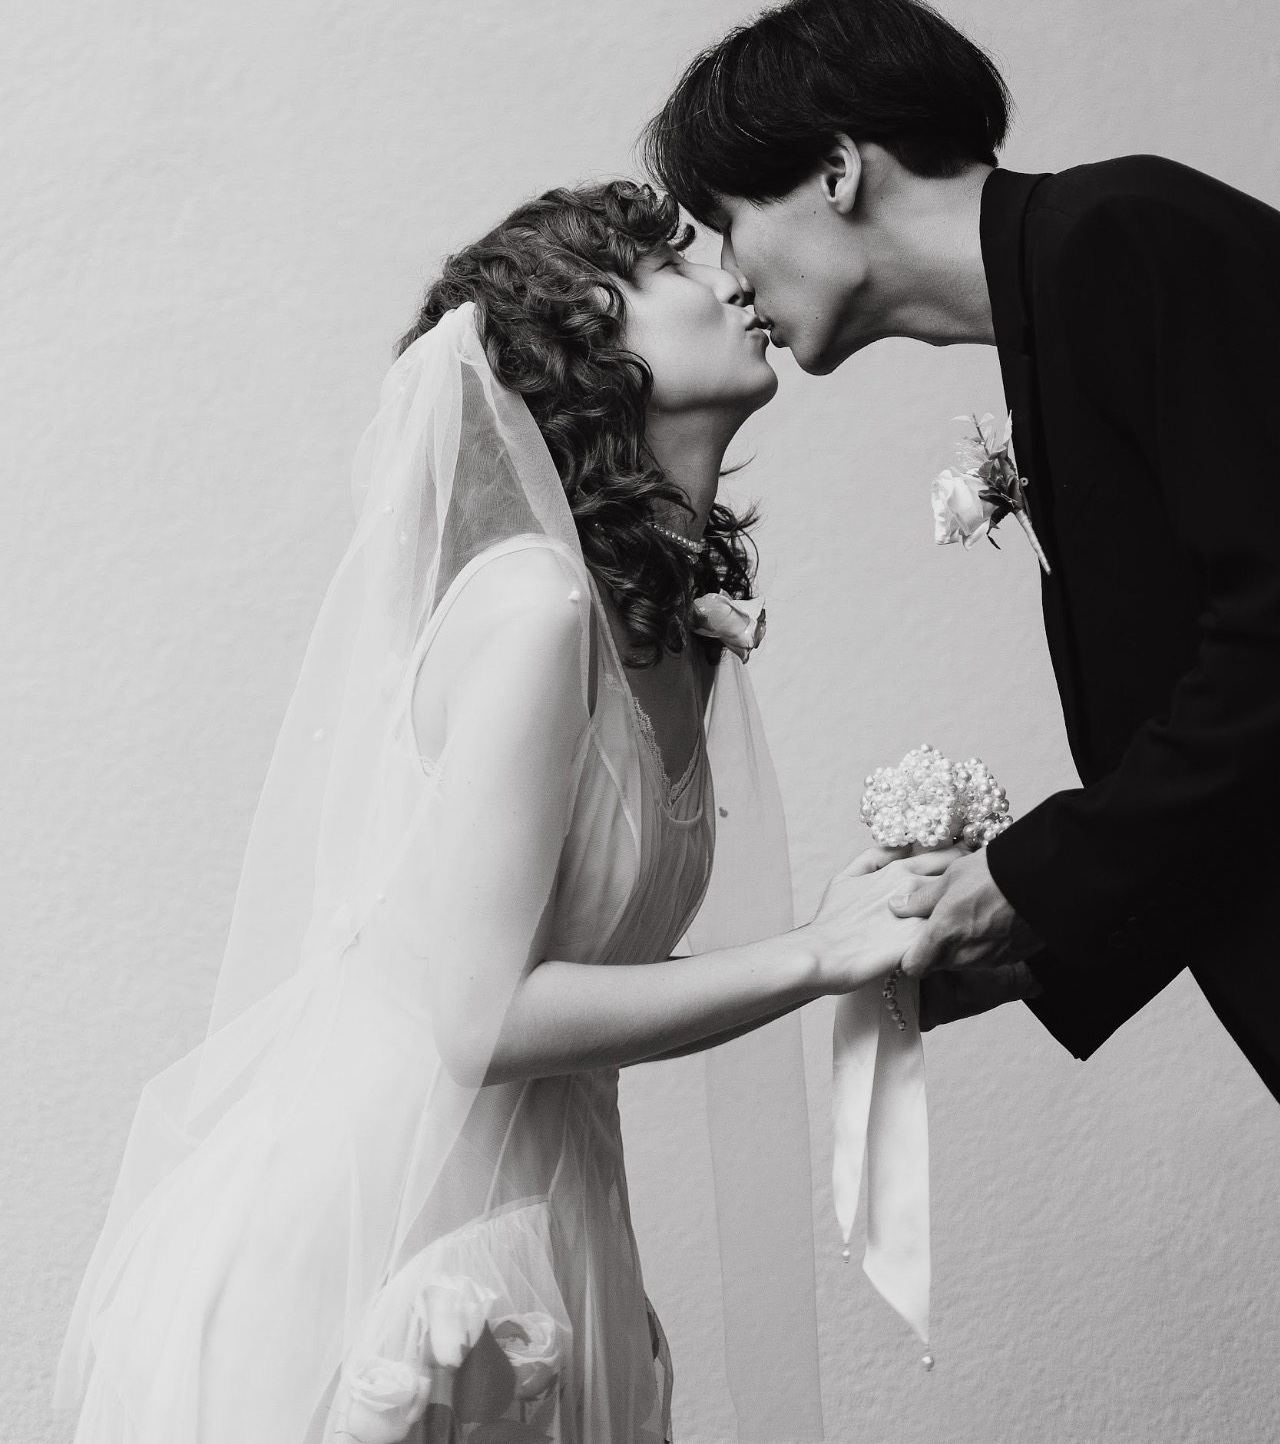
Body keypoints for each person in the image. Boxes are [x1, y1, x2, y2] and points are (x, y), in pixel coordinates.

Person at [57, 180, 936, 1444]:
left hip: (550, 1200)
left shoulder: (672, 632)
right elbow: (481, 1020)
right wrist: (811, 955)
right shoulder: (534, 608)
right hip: (383, 1241)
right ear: (587, 342)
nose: (731, 273)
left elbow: (575, 979)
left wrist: (852, 925)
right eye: (671, 264)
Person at [645, 0, 1280, 1103]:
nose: (731, 274)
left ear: (835, 170)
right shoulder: (1057, 314)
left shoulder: (1129, 234)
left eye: (727, 221)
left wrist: (1033, 880)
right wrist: (1031, 948)